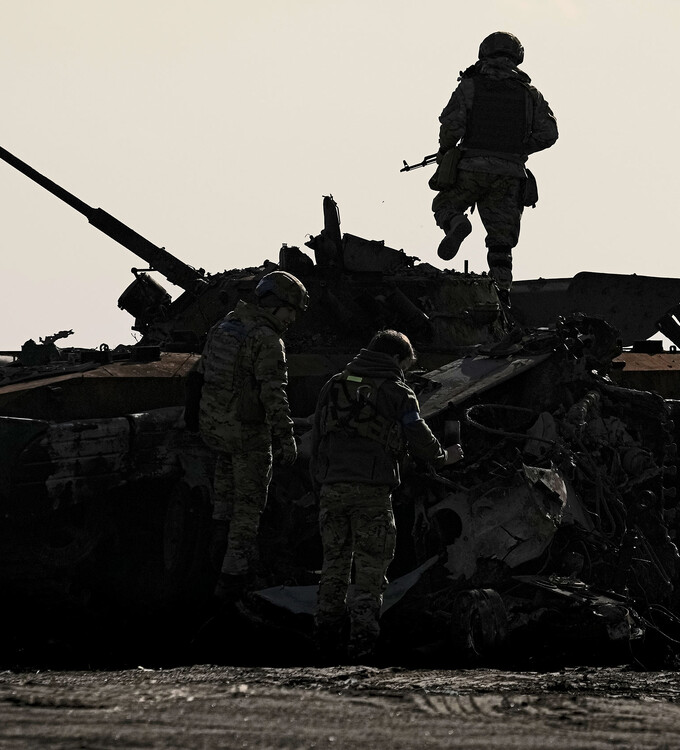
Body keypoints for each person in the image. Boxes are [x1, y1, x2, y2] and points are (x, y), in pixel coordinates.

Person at [310, 330, 463, 662]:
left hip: (331, 488)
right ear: (396, 359)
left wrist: (320, 483)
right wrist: (444, 456)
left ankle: (324, 641)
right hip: (371, 492)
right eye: (405, 364)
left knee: (334, 565)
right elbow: (419, 437)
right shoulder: (398, 392)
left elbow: (317, 436)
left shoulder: (335, 384)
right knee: (370, 569)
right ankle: (361, 645)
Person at [185, 270, 309, 600]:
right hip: (247, 436)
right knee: (248, 509)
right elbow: (274, 393)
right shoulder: (266, 339)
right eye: (290, 310)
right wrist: (286, 438)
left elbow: (200, 373)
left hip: (217, 430)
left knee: (224, 502)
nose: (292, 319)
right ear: (275, 304)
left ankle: (214, 557)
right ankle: (233, 582)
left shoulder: (226, 325)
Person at [430, 31, 558, 294]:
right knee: (501, 241)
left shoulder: (470, 86)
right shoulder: (530, 94)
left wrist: (445, 151)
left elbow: (452, 126)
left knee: (444, 205)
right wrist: (519, 148)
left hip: (471, 167)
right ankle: (502, 293)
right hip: (510, 174)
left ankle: (457, 223)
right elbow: (549, 134)